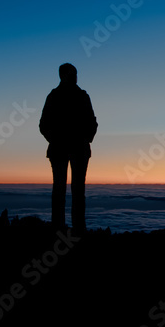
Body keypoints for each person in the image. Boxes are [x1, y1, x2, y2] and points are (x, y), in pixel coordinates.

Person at [40, 63, 97, 232]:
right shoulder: (57, 96)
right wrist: (59, 140)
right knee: (65, 190)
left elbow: (92, 122)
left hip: (73, 149)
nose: (75, 77)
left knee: (73, 190)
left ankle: (73, 229)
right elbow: (43, 125)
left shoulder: (79, 95)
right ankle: (66, 229)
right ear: (64, 75)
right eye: (73, 74)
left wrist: (86, 139)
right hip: (67, 149)